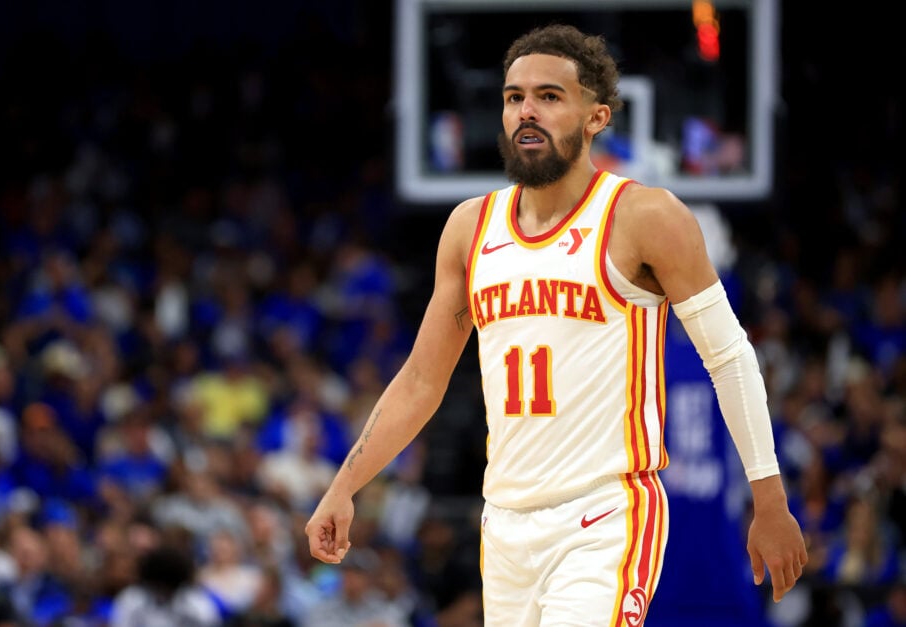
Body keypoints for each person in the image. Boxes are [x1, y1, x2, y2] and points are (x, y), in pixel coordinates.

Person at [305, 23, 808, 625]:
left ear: (597, 117)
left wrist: (769, 498)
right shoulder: (471, 228)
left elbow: (729, 357)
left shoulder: (645, 216)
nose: (526, 111)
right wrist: (343, 487)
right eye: (514, 97)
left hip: (606, 514)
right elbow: (420, 381)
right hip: (506, 522)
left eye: (549, 96)